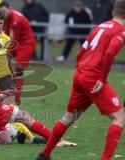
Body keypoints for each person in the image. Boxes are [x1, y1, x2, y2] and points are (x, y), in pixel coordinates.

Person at [36, 0, 125, 159]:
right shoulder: (121, 31)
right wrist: (102, 78)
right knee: (119, 118)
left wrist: (82, 71)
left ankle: (44, 155)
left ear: (113, 12)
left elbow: (80, 52)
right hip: (93, 77)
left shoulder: (100, 26)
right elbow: (110, 52)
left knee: (70, 117)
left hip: (80, 74)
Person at [0, 1, 36, 105]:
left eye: (5, 11)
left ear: (9, 9)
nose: (3, 13)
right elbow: (6, 34)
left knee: (19, 69)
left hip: (26, 44)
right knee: (3, 60)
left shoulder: (16, 20)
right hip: (17, 41)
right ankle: (9, 84)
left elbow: (14, 39)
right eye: (1, 12)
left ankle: (17, 98)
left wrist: (5, 48)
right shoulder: (6, 18)